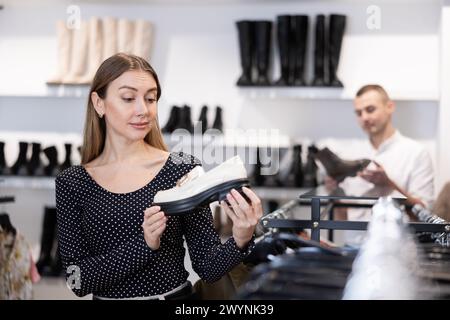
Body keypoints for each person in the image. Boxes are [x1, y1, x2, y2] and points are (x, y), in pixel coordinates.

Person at [55, 53, 262, 300]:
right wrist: (144, 244)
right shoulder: (73, 182)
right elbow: (77, 279)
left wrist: (241, 237)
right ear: (99, 103)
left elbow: (208, 268)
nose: (143, 110)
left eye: (151, 98)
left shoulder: (180, 168)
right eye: (128, 98)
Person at [325, 84, 435, 245]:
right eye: (358, 113)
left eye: (370, 110)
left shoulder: (417, 153)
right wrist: (334, 190)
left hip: (398, 253)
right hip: (353, 249)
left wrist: (389, 184)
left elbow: (425, 216)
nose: (364, 118)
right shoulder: (350, 155)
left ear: (390, 107)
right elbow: (344, 216)